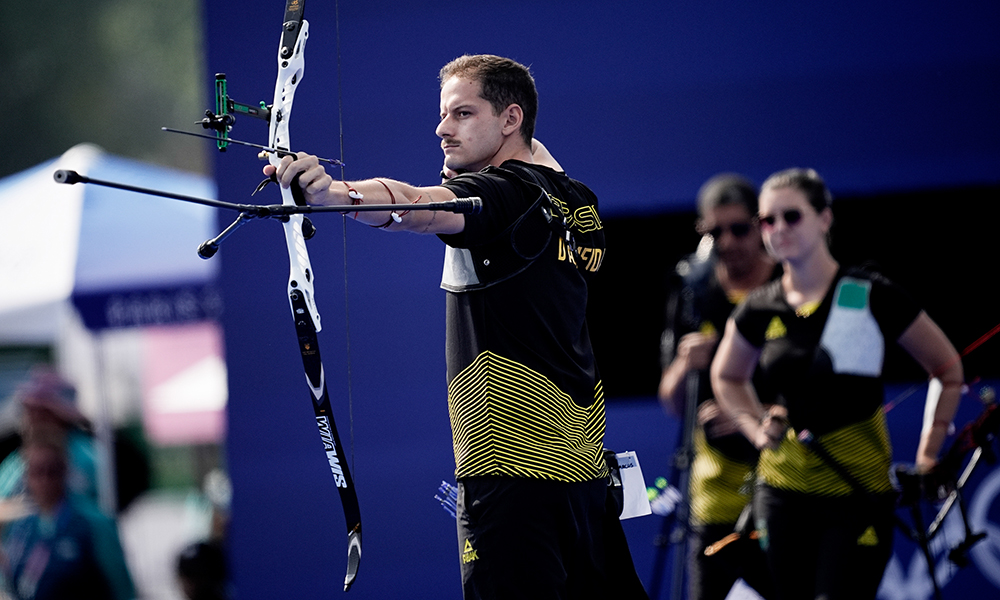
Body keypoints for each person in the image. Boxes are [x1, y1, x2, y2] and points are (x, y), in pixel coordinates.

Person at [268, 54, 647, 599]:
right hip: (585, 478)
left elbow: (421, 206)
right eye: (444, 115)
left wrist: (333, 197)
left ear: (510, 119)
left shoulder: (503, 193)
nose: (442, 130)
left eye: (462, 114)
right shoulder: (575, 200)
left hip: (512, 475)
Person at [709, 168, 963, 600]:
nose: (778, 229)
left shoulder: (868, 293)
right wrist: (754, 428)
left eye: (792, 216)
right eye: (767, 221)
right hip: (781, 493)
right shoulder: (761, 305)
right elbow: (726, 375)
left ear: (825, 218)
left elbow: (947, 368)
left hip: (857, 491)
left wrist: (927, 454)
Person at [657, 174, 776, 600]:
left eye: (739, 228)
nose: (728, 242)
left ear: (762, 225)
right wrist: (685, 366)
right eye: (714, 232)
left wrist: (746, 413)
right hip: (714, 496)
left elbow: (823, 388)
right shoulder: (694, 293)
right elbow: (670, 400)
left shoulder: (790, 287)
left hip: (787, 484)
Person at [0, 438, 135, 600]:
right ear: (26, 477)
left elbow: (121, 587)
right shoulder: (23, 524)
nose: (45, 480)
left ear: (65, 472)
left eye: (52, 471)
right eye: (37, 472)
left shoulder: (93, 522)